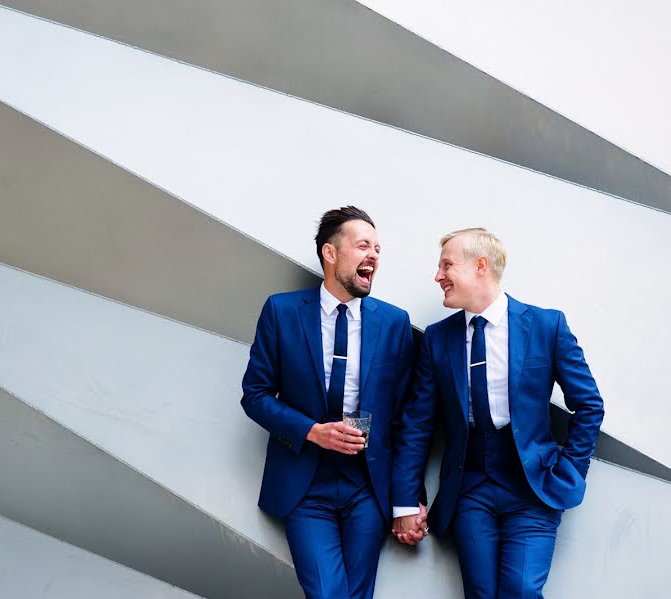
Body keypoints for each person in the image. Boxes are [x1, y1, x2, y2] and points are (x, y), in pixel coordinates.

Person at [392, 228, 604, 599]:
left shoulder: (545, 326)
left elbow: (589, 405)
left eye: (446, 265)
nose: (437, 276)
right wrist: (407, 499)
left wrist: (570, 470)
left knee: (521, 591)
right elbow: (418, 424)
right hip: (470, 488)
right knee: (481, 593)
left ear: (480, 266)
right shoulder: (438, 339)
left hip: (533, 489)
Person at [242, 206, 417, 599]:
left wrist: (410, 498)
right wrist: (313, 432)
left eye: (377, 248)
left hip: (368, 485)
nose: (373, 254)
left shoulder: (394, 322)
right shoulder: (282, 311)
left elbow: (409, 418)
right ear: (330, 253)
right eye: (362, 245)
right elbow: (254, 395)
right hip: (305, 483)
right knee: (327, 593)